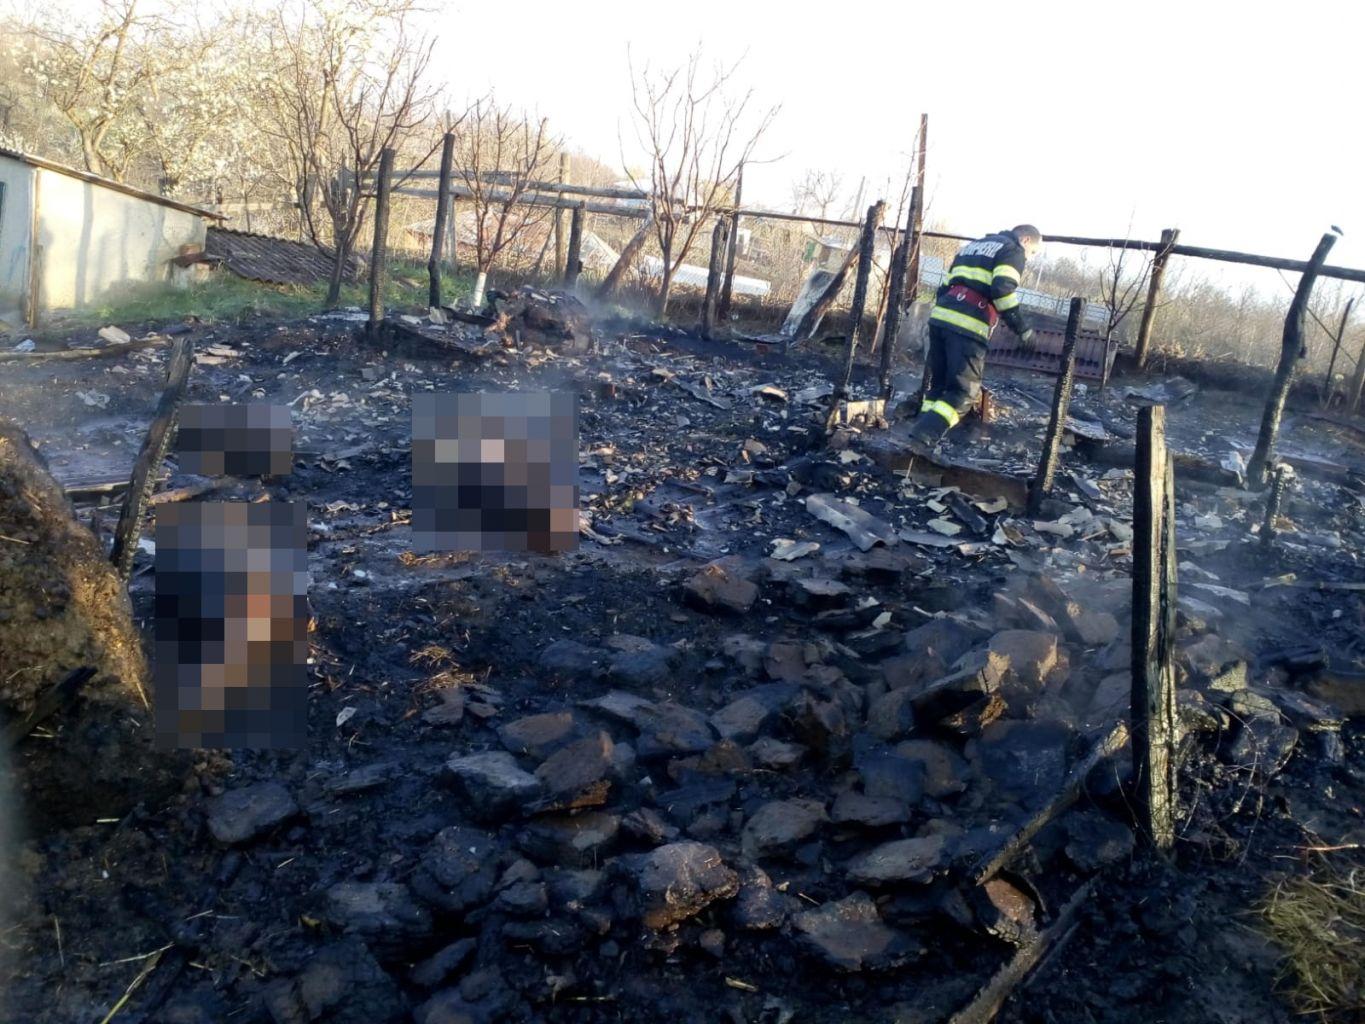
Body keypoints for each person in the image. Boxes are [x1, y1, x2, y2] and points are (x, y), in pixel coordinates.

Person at [907, 224, 1042, 450]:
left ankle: (918, 429)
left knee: (939, 386)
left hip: (940, 319)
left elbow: (944, 287)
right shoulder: (1013, 250)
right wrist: (1023, 329)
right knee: (963, 392)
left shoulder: (974, 246)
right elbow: (1002, 291)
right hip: (967, 325)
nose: (1030, 258)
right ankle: (923, 438)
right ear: (1026, 240)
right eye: (1033, 252)